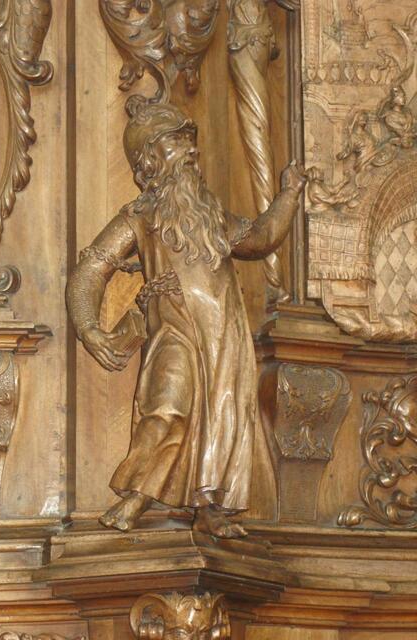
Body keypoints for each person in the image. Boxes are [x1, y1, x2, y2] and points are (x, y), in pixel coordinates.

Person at [66, 102, 306, 538]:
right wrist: (88, 327)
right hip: (174, 330)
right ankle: (137, 495)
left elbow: (261, 238)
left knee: (223, 414)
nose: (191, 150)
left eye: (190, 140)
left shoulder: (213, 217)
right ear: (149, 159)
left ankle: (210, 507)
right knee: (166, 405)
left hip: (223, 333)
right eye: (177, 141)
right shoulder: (139, 217)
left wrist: (289, 194)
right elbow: (91, 270)